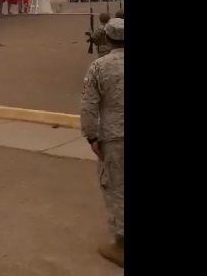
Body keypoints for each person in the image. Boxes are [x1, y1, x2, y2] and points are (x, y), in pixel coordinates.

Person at [79, 18, 125, 267]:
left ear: (107, 38)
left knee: (117, 188)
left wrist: (92, 136)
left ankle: (121, 245)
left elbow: (89, 106)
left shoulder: (99, 67)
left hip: (115, 137)